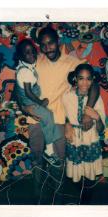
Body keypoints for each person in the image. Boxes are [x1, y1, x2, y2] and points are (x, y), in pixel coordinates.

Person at [28, 26, 100, 164]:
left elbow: (94, 85)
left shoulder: (72, 63)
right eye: (43, 45)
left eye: (51, 43)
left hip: (58, 120)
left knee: (59, 161)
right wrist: (25, 108)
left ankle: (57, 187)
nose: (47, 48)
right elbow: (19, 87)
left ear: (58, 41)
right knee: (36, 160)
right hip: (35, 118)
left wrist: (88, 112)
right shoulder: (35, 61)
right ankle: (38, 187)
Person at [13, 39, 62, 167]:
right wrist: (39, 102)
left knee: (50, 116)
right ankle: (49, 151)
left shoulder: (28, 66)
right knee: (47, 116)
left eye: (33, 52)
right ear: (20, 56)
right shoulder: (25, 71)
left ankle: (51, 142)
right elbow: (28, 92)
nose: (32, 55)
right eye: (27, 53)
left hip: (32, 102)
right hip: (31, 103)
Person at [63, 64, 105, 183]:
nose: (85, 83)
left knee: (89, 177)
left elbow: (101, 129)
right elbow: (64, 115)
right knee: (75, 177)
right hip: (74, 140)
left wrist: (97, 117)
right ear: (75, 79)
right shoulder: (67, 96)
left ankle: (86, 200)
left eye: (88, 79)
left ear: (92, 80)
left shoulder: (97, 99)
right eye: (81, 78)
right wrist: (67, 123)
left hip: (90, 140)